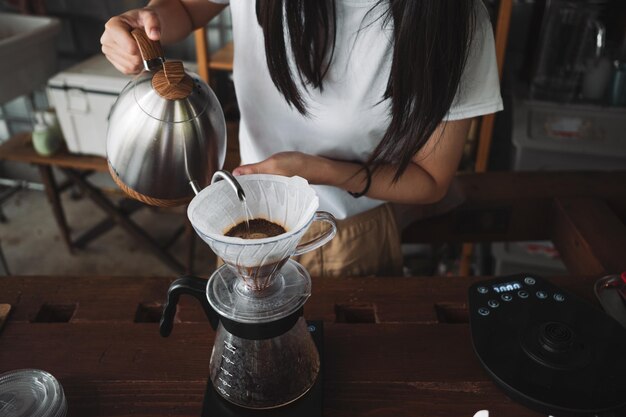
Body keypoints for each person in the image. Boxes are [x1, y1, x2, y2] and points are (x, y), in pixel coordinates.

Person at [101, 0, 503, 277]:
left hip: (350, 233)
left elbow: (431, 180)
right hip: (244, 220)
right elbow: (186, 8)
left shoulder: (456, 21)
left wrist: (320, 171)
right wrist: (144, 24)